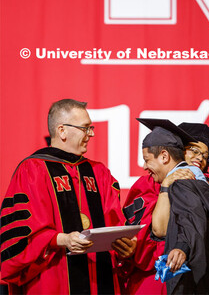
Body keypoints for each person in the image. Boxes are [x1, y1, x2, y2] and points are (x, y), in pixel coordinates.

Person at [0, 99, 135, 295]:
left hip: (100, 278)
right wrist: (61, 239)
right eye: (85, 128)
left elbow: (114, 220)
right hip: (52, 277)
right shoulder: (33, 170)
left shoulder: (99, 172)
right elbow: (21, 235)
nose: (92, 134)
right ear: (62, 130)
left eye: (91, 128)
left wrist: (125, 245)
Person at [123, 118, 209, 295]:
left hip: (204, 273)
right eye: (194, 150)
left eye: (205, 155)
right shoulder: (148, 183)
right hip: (158, 272)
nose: (199, 158)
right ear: (177, 149)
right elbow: (149, 233)